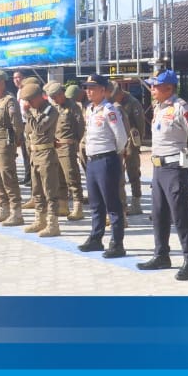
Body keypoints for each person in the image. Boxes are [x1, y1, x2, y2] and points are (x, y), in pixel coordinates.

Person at [135, 70, 188, 279]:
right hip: (158, 168)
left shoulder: (180, 108)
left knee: (181, 215)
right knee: (158, 214)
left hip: (175, 168)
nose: (152, 90)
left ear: (168, 88)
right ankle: (161, 255)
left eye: (155, 86)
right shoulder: (159, 108)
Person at [78, 74, 129, 256]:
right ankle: (96, 238)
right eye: (87, 87)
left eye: (92, 88)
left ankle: (117, 243)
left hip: (107, 159)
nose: (88, 91)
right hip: (92, 160)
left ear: (103, 90)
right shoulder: (90, 109)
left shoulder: (110, 110)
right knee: (95, 203)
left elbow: (121, 137)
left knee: (112, 204)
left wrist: (113, 154)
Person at [20, 81, 62, 237]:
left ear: (39, 97)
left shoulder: (50, 111)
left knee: (50, 192)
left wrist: (27, 114)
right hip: (34, 155)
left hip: (46, 155)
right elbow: (28, 132)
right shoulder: (35, 110)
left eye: (31, 100)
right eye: (27, 102)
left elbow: (39, 128)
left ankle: (53, 224)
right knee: (37, 191)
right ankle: (40, 220)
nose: (29, 104)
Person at [0, 70, 25, 225]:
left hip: (4, 144)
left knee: (8, 178)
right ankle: (3, 209)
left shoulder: (10, 100)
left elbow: (17, 124)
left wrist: (16, 143)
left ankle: (16, 212)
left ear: (2, 83)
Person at [46, 81, 85, 221]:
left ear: (61, 94)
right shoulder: (54, 108)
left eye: (56, 97)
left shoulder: (73, 107)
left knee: (72, 177)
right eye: (52, 98)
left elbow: (80, 127)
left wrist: (75, 143)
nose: (54, 100)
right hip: (55, 146)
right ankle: (63, 205)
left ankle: (78, 207)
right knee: (59, 178)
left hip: (67, 146)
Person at [111, 83, 146, 216]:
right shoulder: (112, 102)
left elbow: (140, 124)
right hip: (118, 138)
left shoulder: (132, 102)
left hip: (131, 137)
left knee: (133, 169)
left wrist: (137, 144)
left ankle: (136, 202)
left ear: (121, 92)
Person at [12, 70, 32, 186]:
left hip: (28, 123)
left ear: (24, 78)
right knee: (24, 152)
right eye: (14, 78)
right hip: (22, 123)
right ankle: (27, 176)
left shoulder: (27, 91)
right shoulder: (19, 91)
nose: (16, 80)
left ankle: (31, 177)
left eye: (19, 77)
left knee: (29, 152)